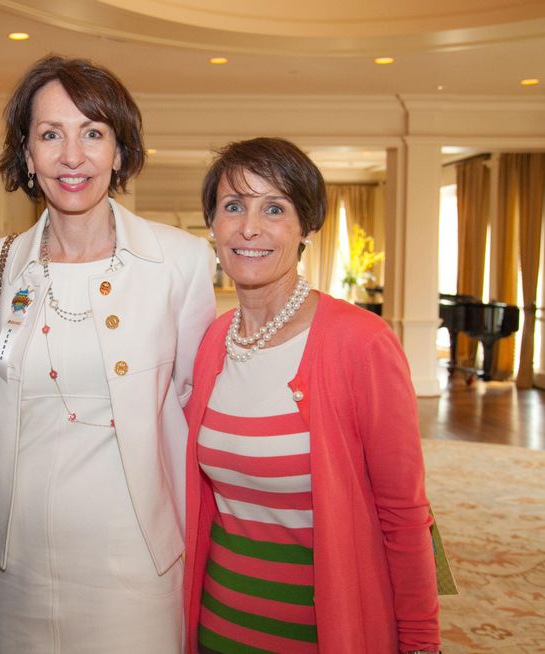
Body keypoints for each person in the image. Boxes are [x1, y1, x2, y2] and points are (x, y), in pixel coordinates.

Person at [0, 55, 216, 654]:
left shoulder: (179, 262)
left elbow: (193, 407)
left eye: (93, 133)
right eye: (50, 134)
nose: (72, 156)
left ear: (120, 150)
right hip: (13, 560)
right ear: (27, 156)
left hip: (133, 561)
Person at [183, 137, 440, 653]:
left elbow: (404, 514)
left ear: (307, 228)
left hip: (323, 632)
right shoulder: (214, 340)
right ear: (213, 226)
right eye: (233, 206)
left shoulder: (361, 342)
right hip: (219, 623)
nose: (249, 227)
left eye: (274, 208)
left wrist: (419, 642)